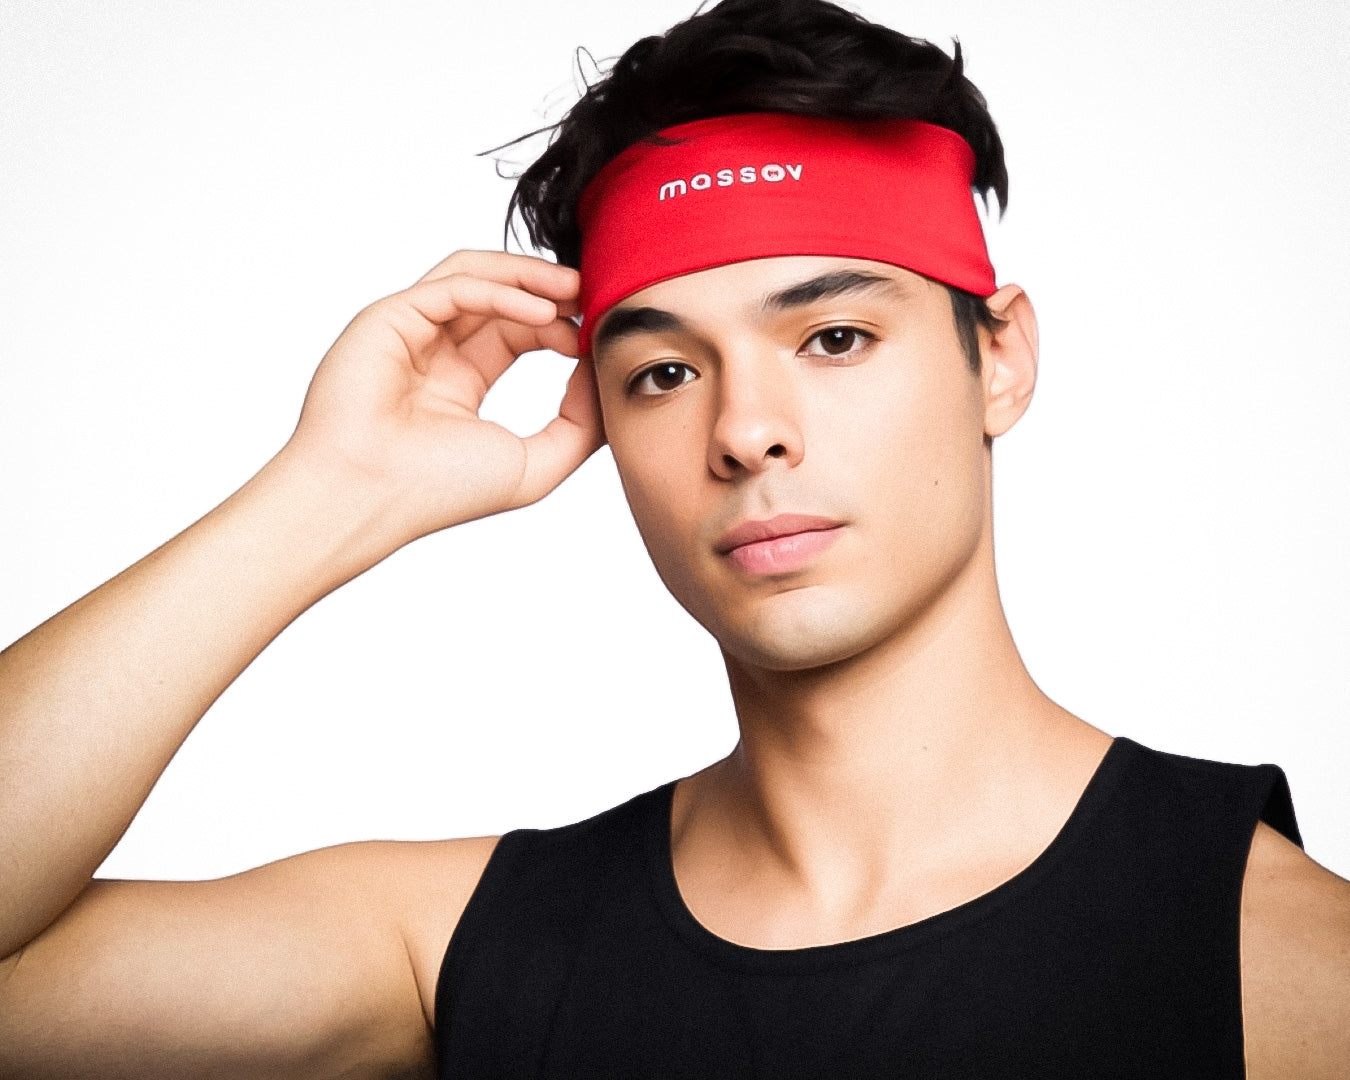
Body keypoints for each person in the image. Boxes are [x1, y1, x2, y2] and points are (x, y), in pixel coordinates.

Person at [1, 0, 1347, 1076]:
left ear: (998, 361)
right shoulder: (458, 953)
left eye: (833, 337)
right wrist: (331, 490)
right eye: (662, 372)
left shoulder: (1285, 967)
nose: (746, 431)